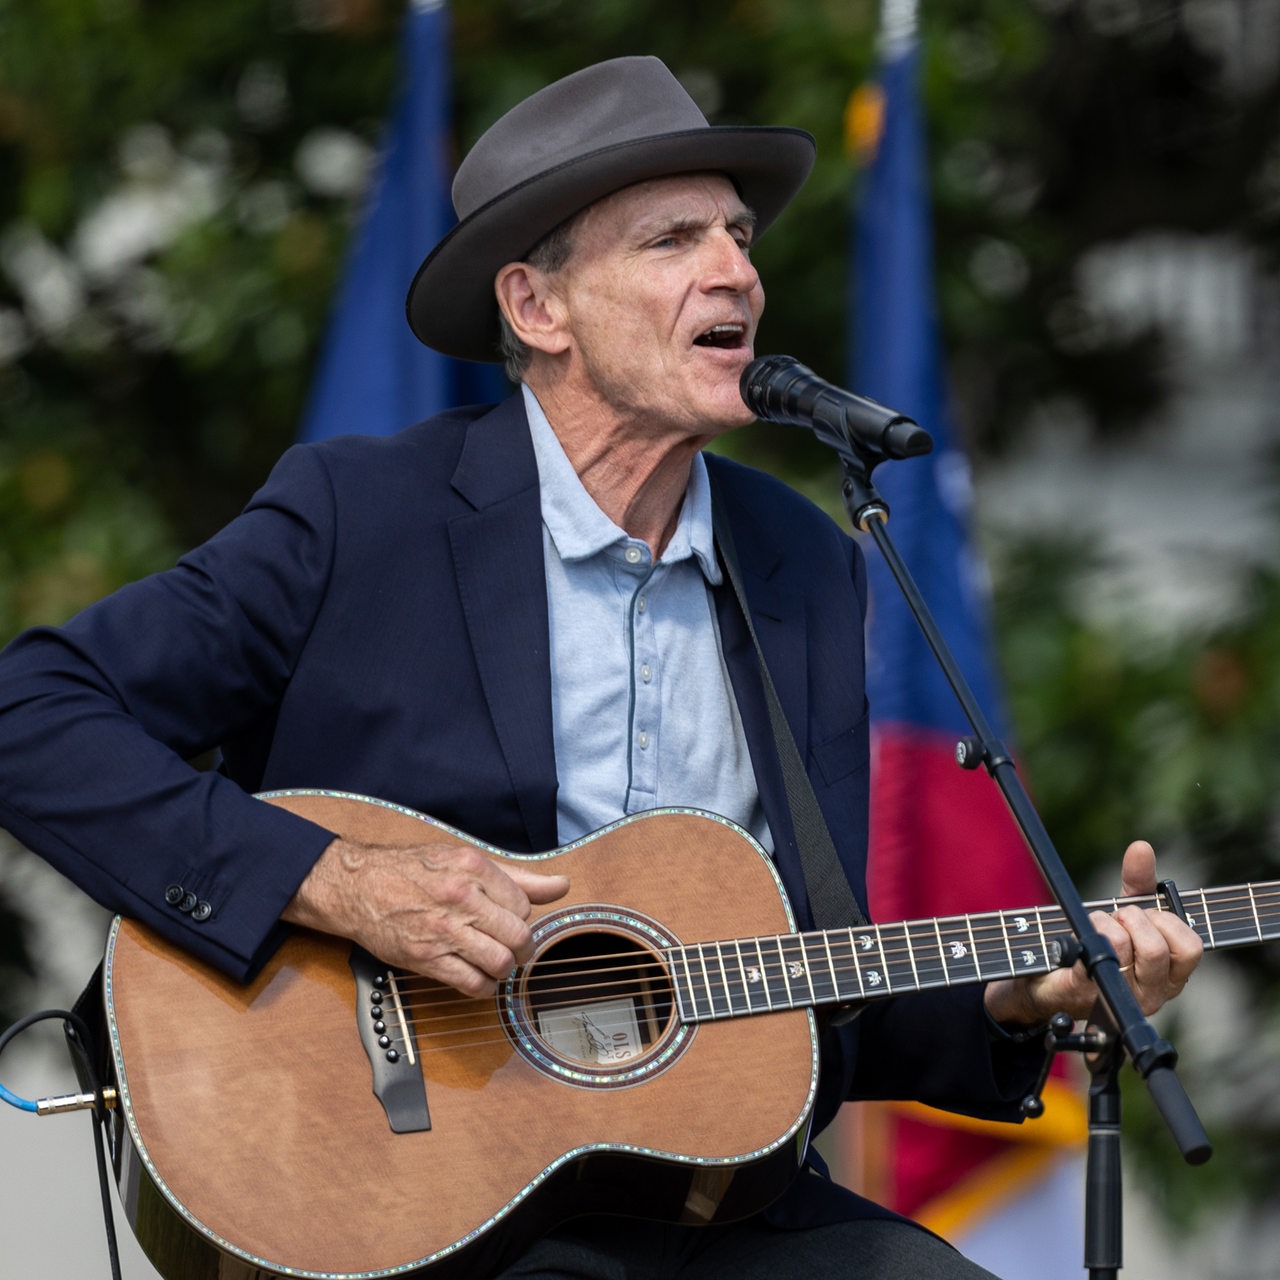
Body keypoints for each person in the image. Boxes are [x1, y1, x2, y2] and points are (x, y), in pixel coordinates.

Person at [0, 56, 1200, 1279]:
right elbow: (29, 711)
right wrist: (338, 881)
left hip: (721, 1205)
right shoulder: (360, 514)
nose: (735, 268)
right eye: (672, 239)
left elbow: (793, 998)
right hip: (411, 1195)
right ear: (536, 307)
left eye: (736, 234)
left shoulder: (803, 565)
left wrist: (1017, 1001)